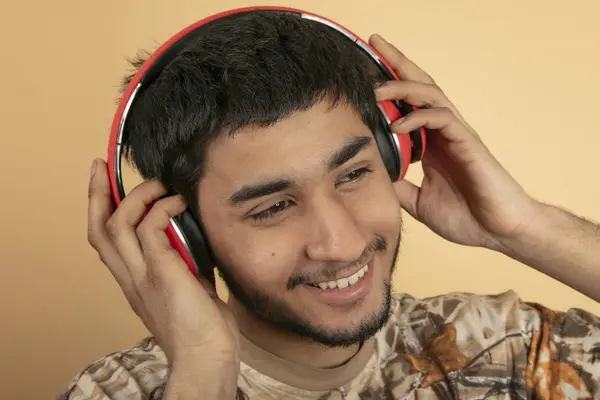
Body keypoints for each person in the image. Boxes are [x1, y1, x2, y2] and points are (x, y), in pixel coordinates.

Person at [60, 11, 600, 400]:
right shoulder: (116, 393)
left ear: (397, 154)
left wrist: (523, 228)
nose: (340, 243)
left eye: (355, 173)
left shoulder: (494, 345)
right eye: (272, 207)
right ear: (183, 235)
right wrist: (205, 369)